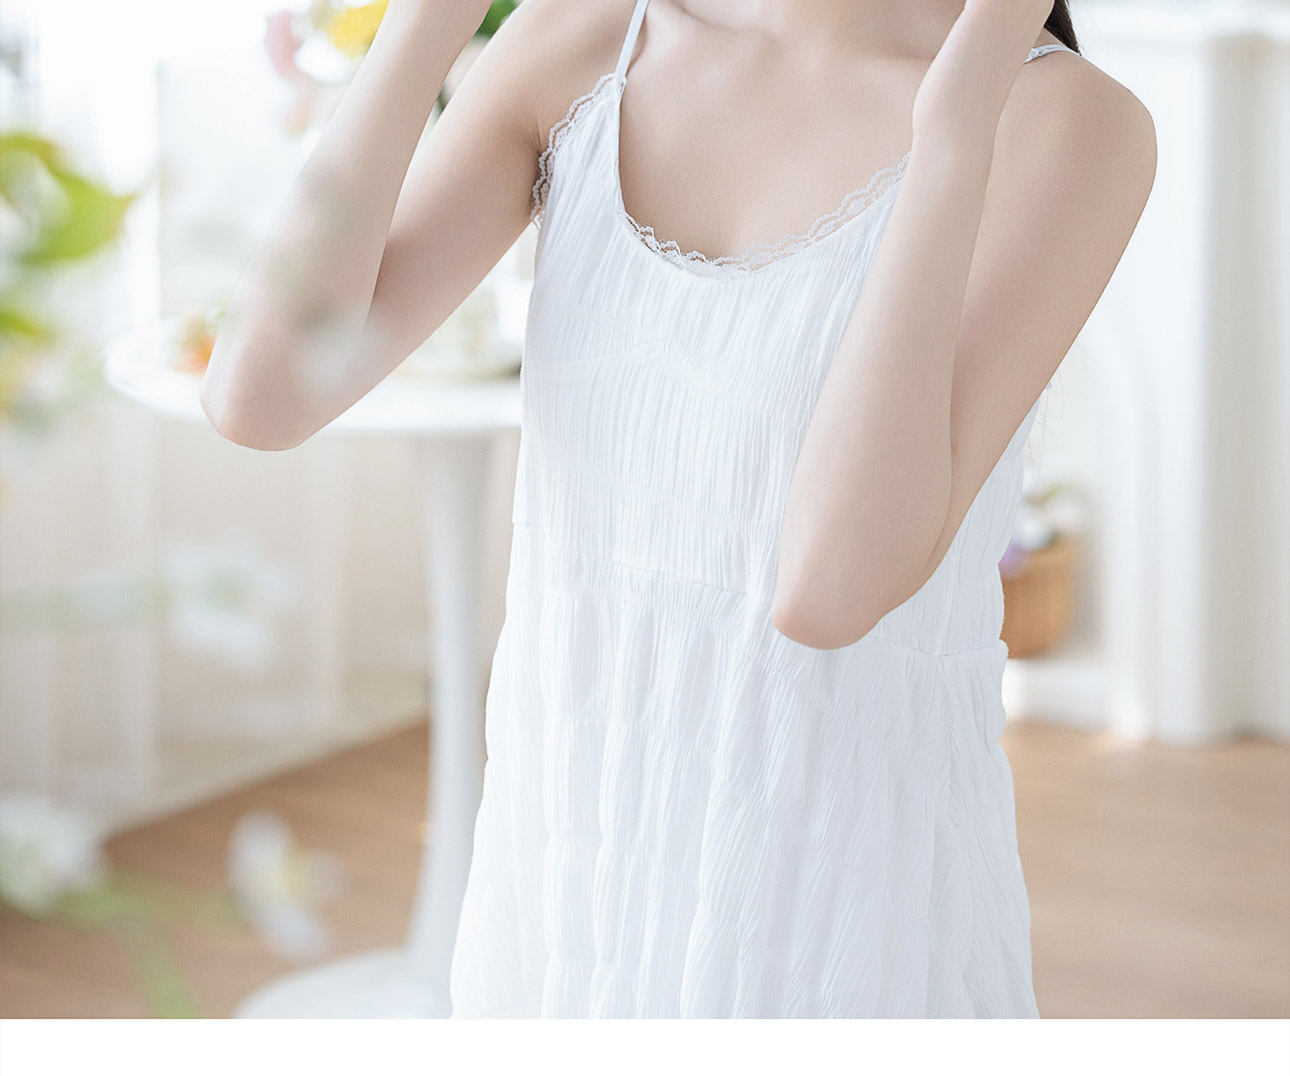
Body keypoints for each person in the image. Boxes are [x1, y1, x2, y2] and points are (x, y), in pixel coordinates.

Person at [201, 0, 1156, 1017]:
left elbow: (828, 591)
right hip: (569, 872)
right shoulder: (587, 39)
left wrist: (956, 119)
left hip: (836, 896)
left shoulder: (1059, 122)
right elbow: (261, 396)